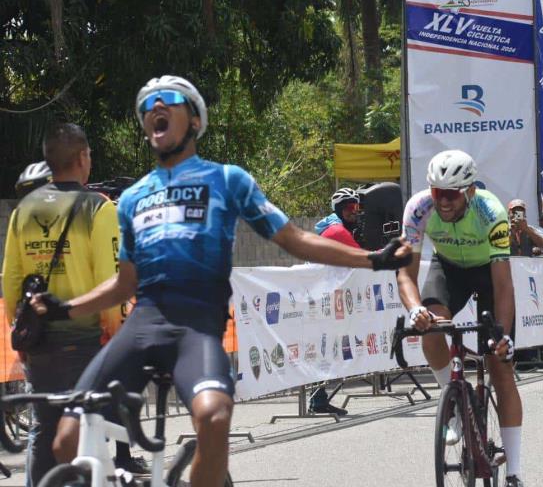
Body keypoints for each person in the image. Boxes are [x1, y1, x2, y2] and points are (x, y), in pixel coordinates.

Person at [31, 76, 411, 487]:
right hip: (142, 324)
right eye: (146, 106)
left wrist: (372, 259)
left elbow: (294, 238)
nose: (154, 106)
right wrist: (63, 308)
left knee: (214, 416)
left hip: (196, 326)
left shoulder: (227, 180)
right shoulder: (134, 198)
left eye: (167, 100)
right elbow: (125, 285)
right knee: (66, 440)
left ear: (194, 120)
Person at [1, 124, 141, 485]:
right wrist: (115, 330)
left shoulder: (23, 210)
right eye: (90, 154)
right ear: (81, 158)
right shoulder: (98, 208)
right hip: (85, 340)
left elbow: (12, 281)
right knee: (87, 429)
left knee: (43, 428)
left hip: (39, 342)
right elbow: (110, 278)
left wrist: (22, 336)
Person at [396, 150, 524, 487]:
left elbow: (502, 283)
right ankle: (450, 403)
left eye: (451, 194)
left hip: (488, 273)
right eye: (438, 193)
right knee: (432, 325)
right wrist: (414, 310)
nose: (443, 202)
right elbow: (405, 275)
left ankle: (514, 472)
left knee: (500, 367)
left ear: (469, 191)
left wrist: (503, 336)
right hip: (449, 268)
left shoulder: (491, 212)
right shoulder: (418, 208)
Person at [306, 187, 365, 416]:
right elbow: (364, 257)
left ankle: (318, 399)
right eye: (350, 208)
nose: (355, 212)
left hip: (328, 297)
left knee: (327, 349)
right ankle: (317, 400)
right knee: (324, 349)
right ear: (340, 210)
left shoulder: (341, 228)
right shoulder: (336, 231)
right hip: (321, 300)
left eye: (357, 208)